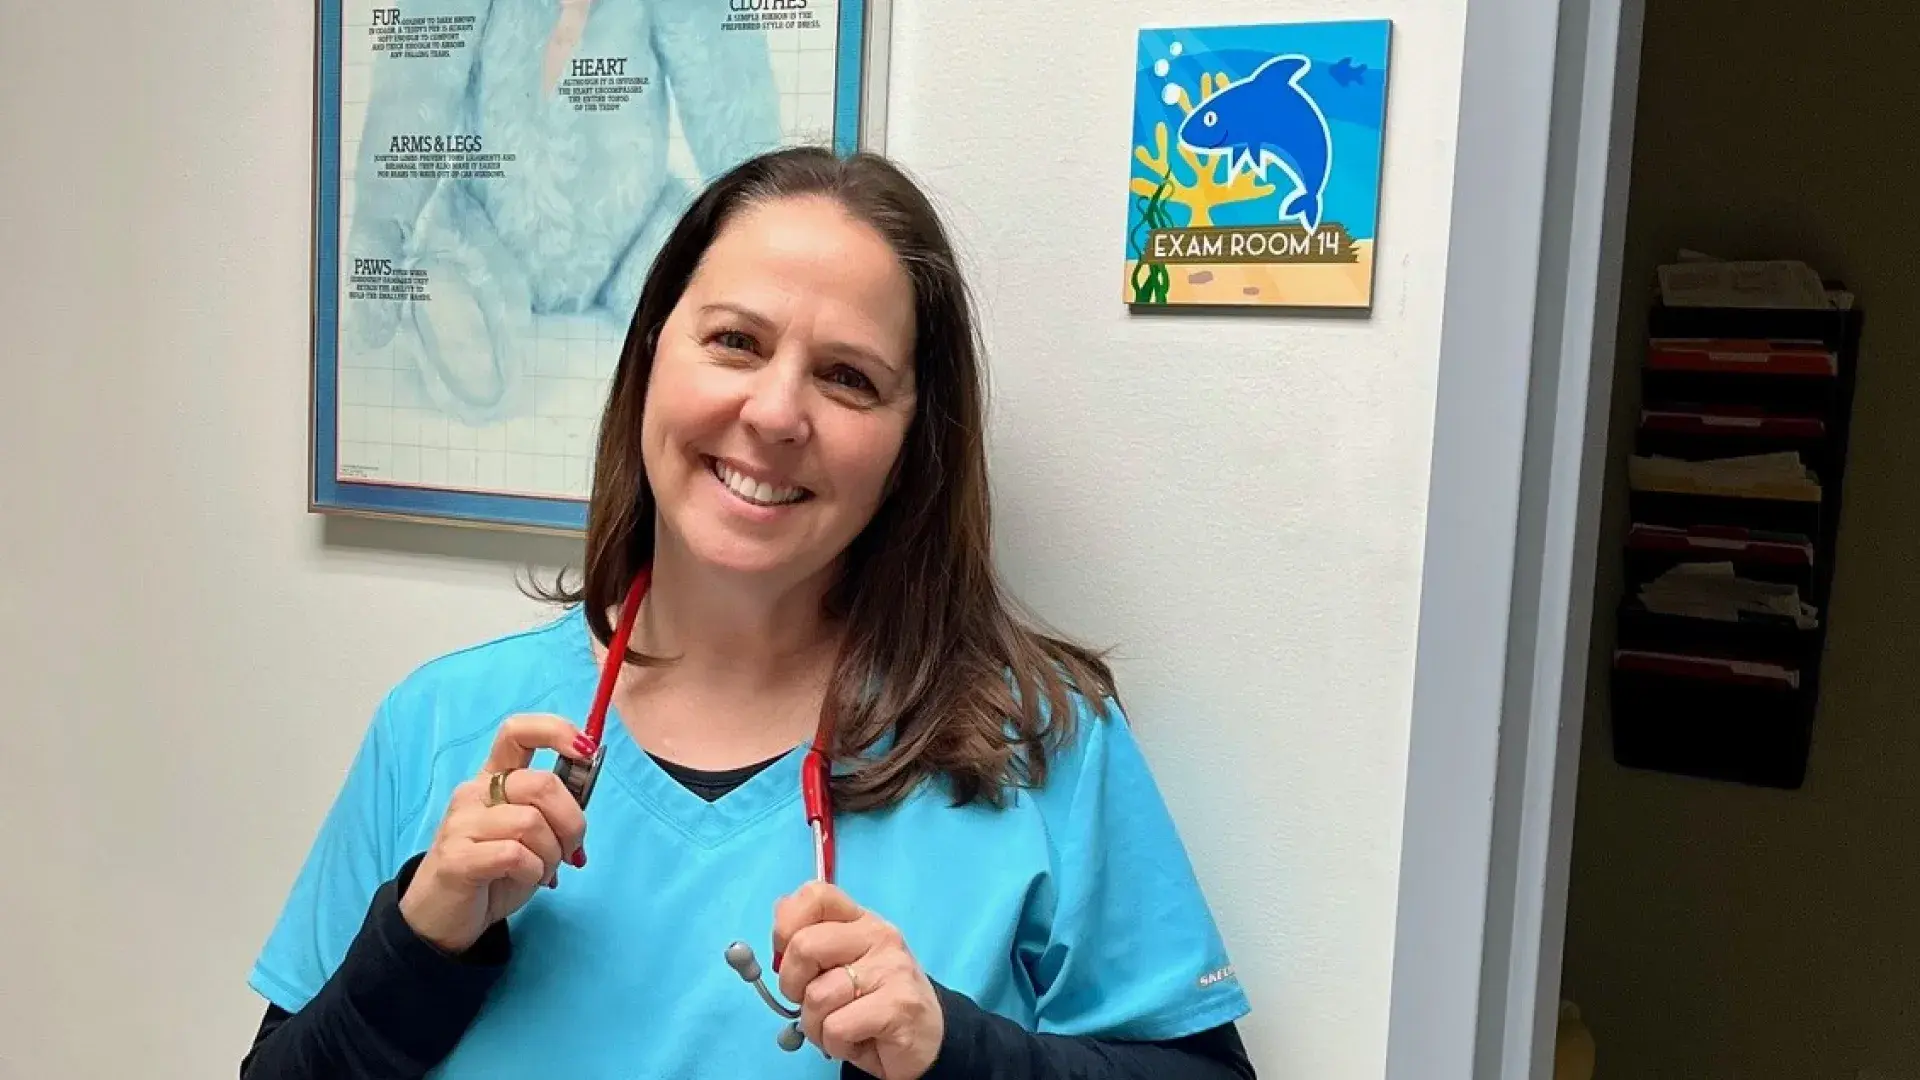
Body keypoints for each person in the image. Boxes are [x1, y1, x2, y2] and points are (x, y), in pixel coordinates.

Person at [242, 146, 1257, 1079]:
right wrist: (418, 944)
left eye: (848, 379)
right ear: (649, 355)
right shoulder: (441, 728)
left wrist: (953, 1054)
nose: (775, 414)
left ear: (914, 441)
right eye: (735, 341)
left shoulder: (1038, 746)